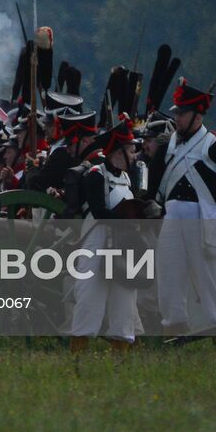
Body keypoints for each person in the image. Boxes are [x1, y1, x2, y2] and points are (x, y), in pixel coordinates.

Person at [151, 79, 216, 341]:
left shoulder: (215, 146)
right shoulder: (166, 146)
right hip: (171, 217)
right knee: (169, 277)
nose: (177, 117)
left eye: (181, 113)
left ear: (197, 115)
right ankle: (173, 330)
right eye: (177, 112)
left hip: (202, 218)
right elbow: (153, 187)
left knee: (209, 280)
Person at [69, 116, 145, 351]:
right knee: (90, 296)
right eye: (130, 150)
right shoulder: (95, 174)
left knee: (125, 299)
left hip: (124, 242)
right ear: (118, 151)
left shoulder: (127, 178)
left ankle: (120, 352)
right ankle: (78, 351)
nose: (134, 156)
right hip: (97, 239)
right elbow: (100, 212)